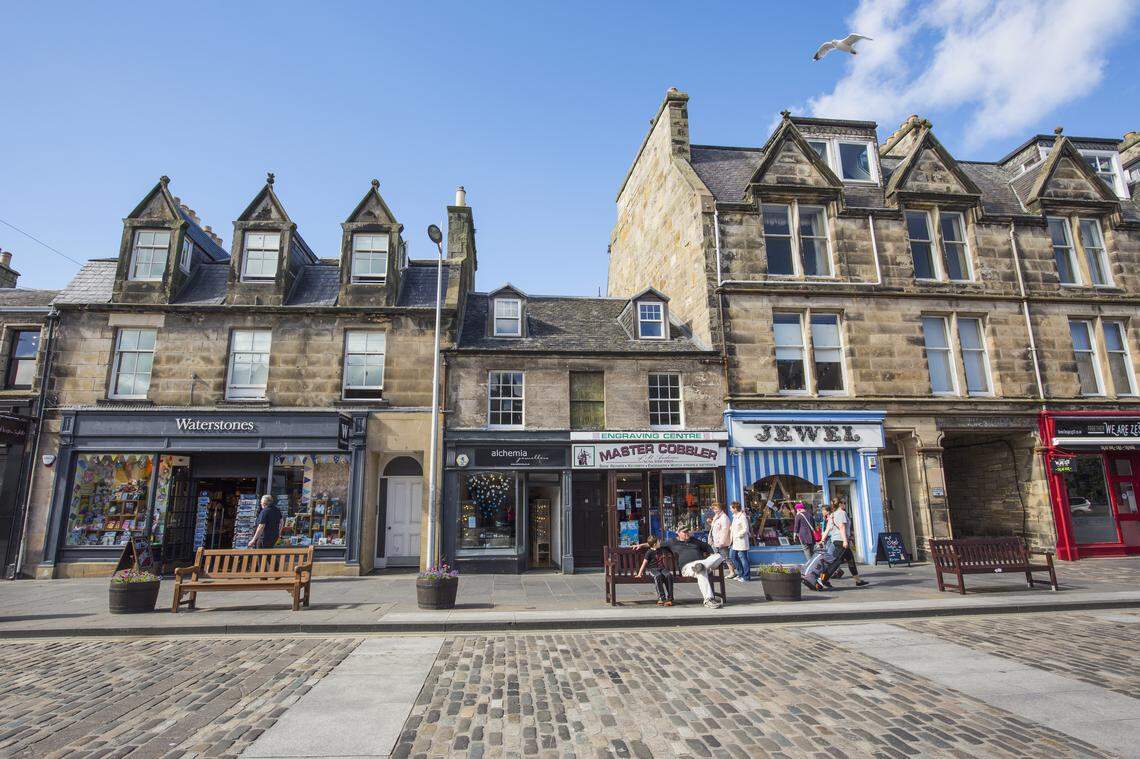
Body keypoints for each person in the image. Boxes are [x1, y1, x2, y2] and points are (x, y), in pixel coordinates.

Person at [661, 524, 723, 608]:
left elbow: (706, 546)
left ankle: (701, 566)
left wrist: (711, 553)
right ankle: (709, 599)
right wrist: (641, 545)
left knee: (719, 556)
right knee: (701, 572)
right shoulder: (672, 542)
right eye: (684, 532)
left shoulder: (694, 540)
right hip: (687, 568)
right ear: (678, 533)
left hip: (701, 563)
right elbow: (656, 544)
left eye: (687, 531)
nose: (687, 533)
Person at [817, 500, 869, 589]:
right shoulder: (841, 513)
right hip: (841, 541)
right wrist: (845, 541)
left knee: (850, 561)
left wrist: (822, 540)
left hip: (837, 541)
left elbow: (827, 529)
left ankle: (858, 581)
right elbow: (842, 527)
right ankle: (822, 580)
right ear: (840, 504)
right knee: (835, 562)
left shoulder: (832, 515)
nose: (845, 504)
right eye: (844, 503)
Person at [634, 536, 675, 606]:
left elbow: (650, 543)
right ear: (655, 544)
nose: (660, 542)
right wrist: (639, 574)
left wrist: (641, 545)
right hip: (653, 569)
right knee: (658, 576)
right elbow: (644, 563)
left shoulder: (660, 548)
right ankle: (661, 598)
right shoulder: (649, 552)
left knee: (669, 575)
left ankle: (670, 599)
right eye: (659, 541)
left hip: (662, 568)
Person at [707, 502, 734, 578]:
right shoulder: (717, 516)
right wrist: (711, 522)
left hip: (721, 542)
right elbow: (715, 528)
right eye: (714, 509)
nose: (715, 510)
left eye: (716, 508)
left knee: (726, 557)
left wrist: (721, 542)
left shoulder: (724, 518)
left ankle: (732, 572)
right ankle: (717, 572)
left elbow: (725, 531)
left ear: (720, 508)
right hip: (715, 541)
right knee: (716, 557)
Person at [728, 501, 751, 582]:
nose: (730, 509)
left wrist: (738, 535)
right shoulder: (734, 516)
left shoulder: (742, 517)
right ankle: (740, 573)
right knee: (732, 557)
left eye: (731, 508)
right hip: (734, 541)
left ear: (735, 508)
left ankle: (746, 576)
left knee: (743, 558)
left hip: (741, 541)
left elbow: (745, 529)